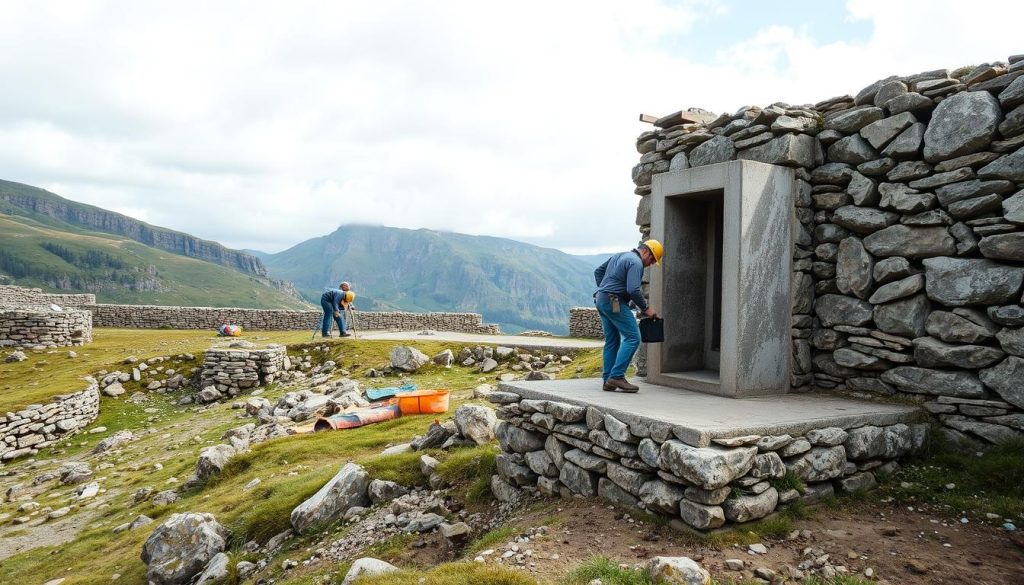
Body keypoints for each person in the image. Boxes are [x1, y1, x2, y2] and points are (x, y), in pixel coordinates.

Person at [593, 239, 663, 393]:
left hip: (601, 299)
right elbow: (633, 290)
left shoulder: (620, 255)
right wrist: (646, 309)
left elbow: (598, 271)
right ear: (645, 251)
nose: (650, 264)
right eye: (652, 259)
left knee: (612, 340)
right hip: (613, 301)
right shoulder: (636, 263)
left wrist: (604, 289)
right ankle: (617, 376)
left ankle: (608, 381)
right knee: (633, 337)